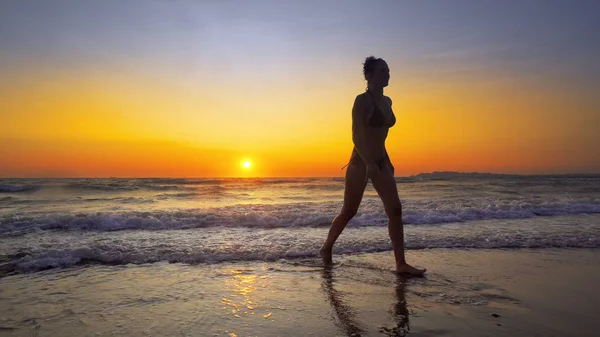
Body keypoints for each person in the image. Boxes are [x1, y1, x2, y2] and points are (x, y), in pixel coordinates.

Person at [320, 56, 426, 276]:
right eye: (381, 71)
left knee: (395, 210)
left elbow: (381, 136)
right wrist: (368, 162)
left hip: (381, 161)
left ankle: (400, 264)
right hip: (361, 162)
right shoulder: (361, 101)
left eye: (388, 71)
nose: (387, 74)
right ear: (368, 76)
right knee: (349, 211)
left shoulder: (387, 102)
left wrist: (386, 160)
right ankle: (326, 248)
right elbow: (357, 136)